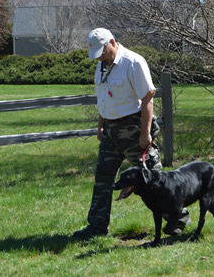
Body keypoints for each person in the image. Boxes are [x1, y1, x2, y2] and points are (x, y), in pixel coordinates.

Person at [73, 28, 190, 239]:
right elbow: (103, 98)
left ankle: (178, 218)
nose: (99, 56)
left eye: (102, 51)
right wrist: (101, 125)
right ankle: (97, 226)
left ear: (112, 42)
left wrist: (145, 133)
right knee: (103, 180)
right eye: (96, 53)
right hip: (110, 131)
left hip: (134, 130)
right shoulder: (101, 66)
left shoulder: (134, 62)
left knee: (154, 179)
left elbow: (147, 98)